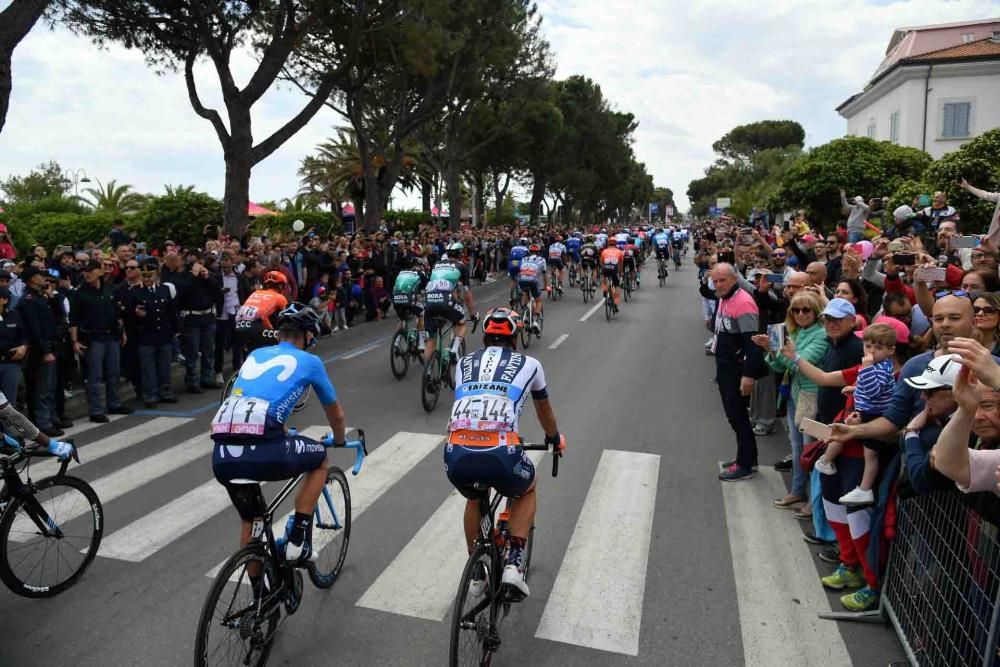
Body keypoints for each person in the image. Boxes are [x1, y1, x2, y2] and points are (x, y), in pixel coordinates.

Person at [212, 303, 348, 569]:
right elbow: (336, 414)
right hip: (266, 447)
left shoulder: (256, 355)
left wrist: (282, 430)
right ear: (308, 336)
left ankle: (257, 602)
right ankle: (298, 541)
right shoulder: (310, 361)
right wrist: (340, 438)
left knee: (252, 522)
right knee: (320, 460)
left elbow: (248, 406)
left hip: (223, 452)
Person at [443, 307, 565, 598]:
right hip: (501, 449)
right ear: (516, 337)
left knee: (475, 496)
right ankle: (513, 564)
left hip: (456, 450)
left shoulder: (464, 363)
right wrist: (553, 438)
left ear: (484, 337)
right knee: (527, 488)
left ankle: (476, 569)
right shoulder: (532, 364)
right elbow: (544, 410)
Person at [752, 291, 827, 505]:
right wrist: (772, 350)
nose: (801, 314)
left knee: (809, 449)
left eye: (806, 310)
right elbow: (777, 366)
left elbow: (801, 365)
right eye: (796, 310)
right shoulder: (793, 333)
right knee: (796, 447)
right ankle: (797, 491)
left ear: (816, 312)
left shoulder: (821, 335)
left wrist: (783, 352)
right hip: (795, 394)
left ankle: (814, 503)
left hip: (811, 398)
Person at [819, 323, 898, 506]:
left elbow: (874, 390)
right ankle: (826, 461)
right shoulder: (878, 366)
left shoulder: (877, 367)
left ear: (890, 350)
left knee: (870, 456)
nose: (871, 351)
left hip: (875, 416)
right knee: (842, 434)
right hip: (866, 411)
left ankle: (864, 489)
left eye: (878, 347)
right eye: (868, 346)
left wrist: (868, 368)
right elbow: (870, 387)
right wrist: (855, 389)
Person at [713, 263, 767, 481]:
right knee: (733, 415)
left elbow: (752, 343)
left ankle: (745, 464)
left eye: (722, 280)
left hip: (736, 369)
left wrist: (748, 374)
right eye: (715, 281)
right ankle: (746, 457)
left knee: (738, 415)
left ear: (734, 279)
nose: (718, 285)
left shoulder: (743, 302)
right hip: (724, 366)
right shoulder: (725, 299)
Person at [70, 260, 133, 423]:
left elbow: (117, 313)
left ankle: (114, 403)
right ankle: (96, 410)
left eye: (91, 270)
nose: (87, 274)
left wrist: (123, 332)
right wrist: (75, 341)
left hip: (111, 335)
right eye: (85, 271)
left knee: (114, 372)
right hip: (93, 338)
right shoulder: (80, 293)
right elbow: (74, 320)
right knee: (95, 376)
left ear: (99, 272)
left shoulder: (109, 290)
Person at [126, 259, 179, 408]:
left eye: (150, 276)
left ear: (156, 275)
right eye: (145, 276)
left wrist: (175, 329)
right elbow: (128, 313)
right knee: (148, 368)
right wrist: (135, 314)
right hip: (145, 335)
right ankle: (150, 395)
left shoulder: (164, 290)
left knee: (164, 366)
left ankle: (166, 392)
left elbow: (170, 311)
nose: (147, 279)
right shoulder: (135, 292)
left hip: (163, 333)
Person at [18, 268, 62, 436]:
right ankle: (44, 422)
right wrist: (45, 351)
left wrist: (52, 297)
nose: (46, 279)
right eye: (41, 276)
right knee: (43, 388)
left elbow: (59, 316)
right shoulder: (29, 300)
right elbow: (34, 330)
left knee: (50, 386)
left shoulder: (41, 297)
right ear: (33, 280)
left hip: (51, 346)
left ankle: (52, 418)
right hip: (41, 350)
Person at [423, 243, 477, 364]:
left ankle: (428, 373)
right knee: (461, 323)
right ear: (460, 253)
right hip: (445, 302)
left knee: (431, 341)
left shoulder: (436, 265)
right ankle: (453, 350)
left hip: (429, 301)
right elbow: (467, 295)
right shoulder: (462, 266)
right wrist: (474, 314)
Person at [235, 270, 289, 359]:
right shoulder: (280, 297)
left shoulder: (255, 292)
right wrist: (272, 330)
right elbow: (287, 317)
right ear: (280, 285)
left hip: (239, 326)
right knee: (282, 338)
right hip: (255, 327)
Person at [392, 257, 428, 348]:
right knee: (422, 314)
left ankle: (396, 341)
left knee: (402, 319)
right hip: (409, 299)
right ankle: (421, 343)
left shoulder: (402, 271)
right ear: (420, 266)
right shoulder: (421, 273)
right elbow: (426, 289)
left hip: (396, 298)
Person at [517, 245, 547, 329]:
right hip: (532, 279)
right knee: (538, 301)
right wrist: (545, 286)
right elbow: (544, 275)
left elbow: (521, 270)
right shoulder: (542, 259)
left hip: (522, 279)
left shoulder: (524, 259)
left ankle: (525, 313)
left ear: (529, 252)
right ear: (538, 253)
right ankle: (535, 321)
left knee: (526, 294)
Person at [599, 239, 624, 310]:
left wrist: (602, 270)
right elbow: (620, 264)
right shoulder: (619, 251)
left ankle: (605, 289)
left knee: (604, 277)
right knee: (616, 285)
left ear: (608, 244)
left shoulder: (604, 251)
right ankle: (616, 302)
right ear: (615, 244)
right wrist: (620, 273)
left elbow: (602, 263)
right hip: (614, 268)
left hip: (606, 267)